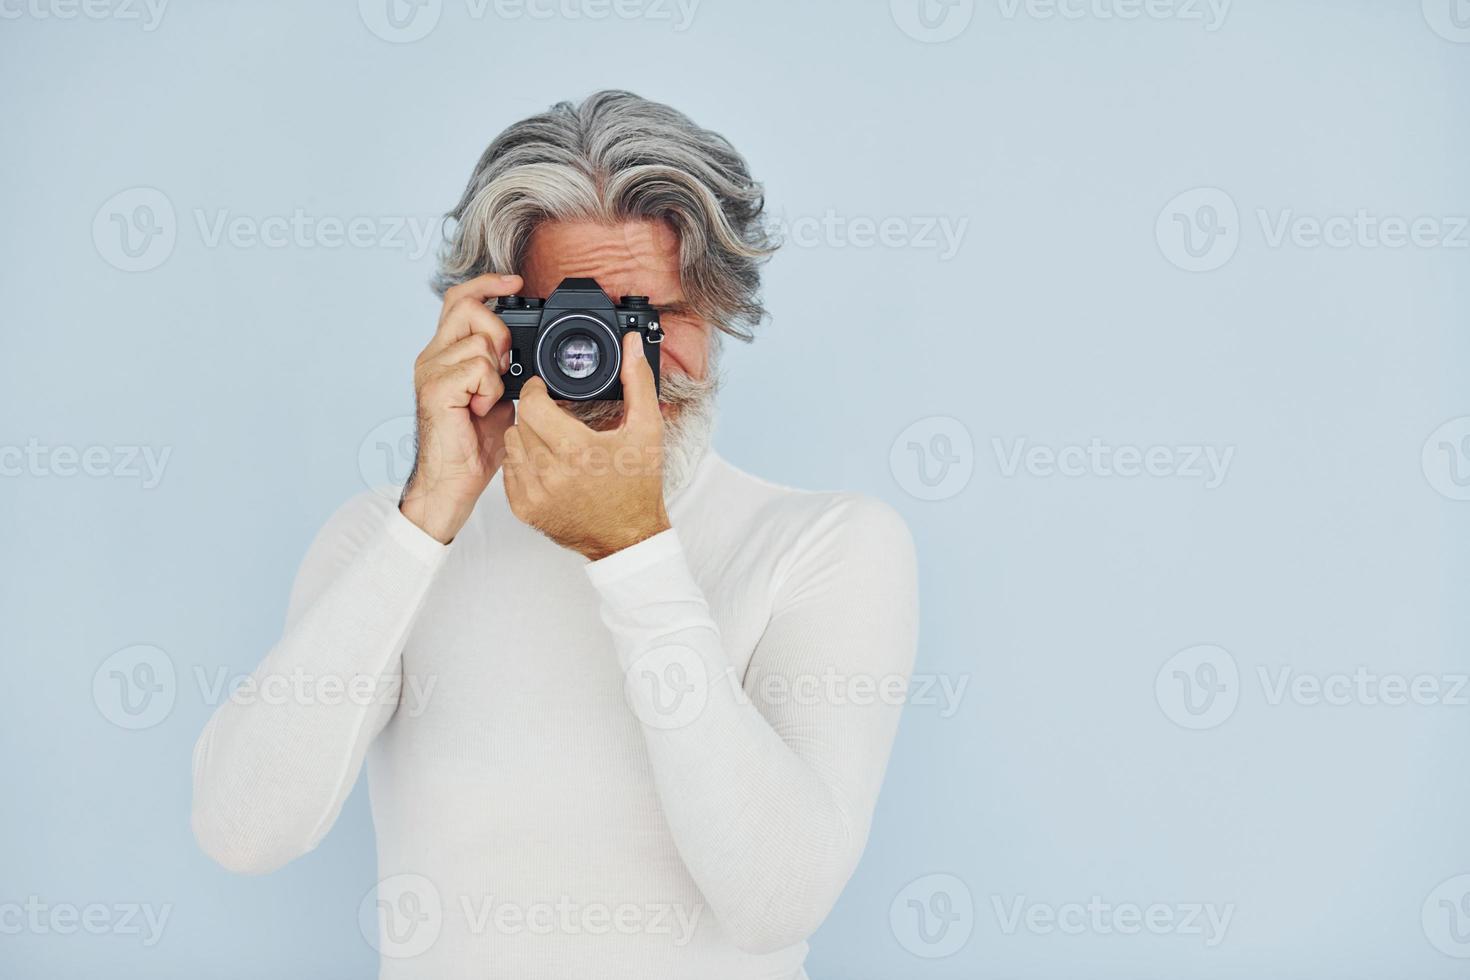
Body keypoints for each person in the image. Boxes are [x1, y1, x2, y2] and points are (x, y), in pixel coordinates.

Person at [190, 89, 919, 980]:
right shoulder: (391, 539)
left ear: (720, 314)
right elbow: (242, 831)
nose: (619, 362)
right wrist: (431, 509)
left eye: (654, 318)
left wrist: (634, 551)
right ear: (502, 328)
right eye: (580, 319)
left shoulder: (826, 546)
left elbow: (775, 904)